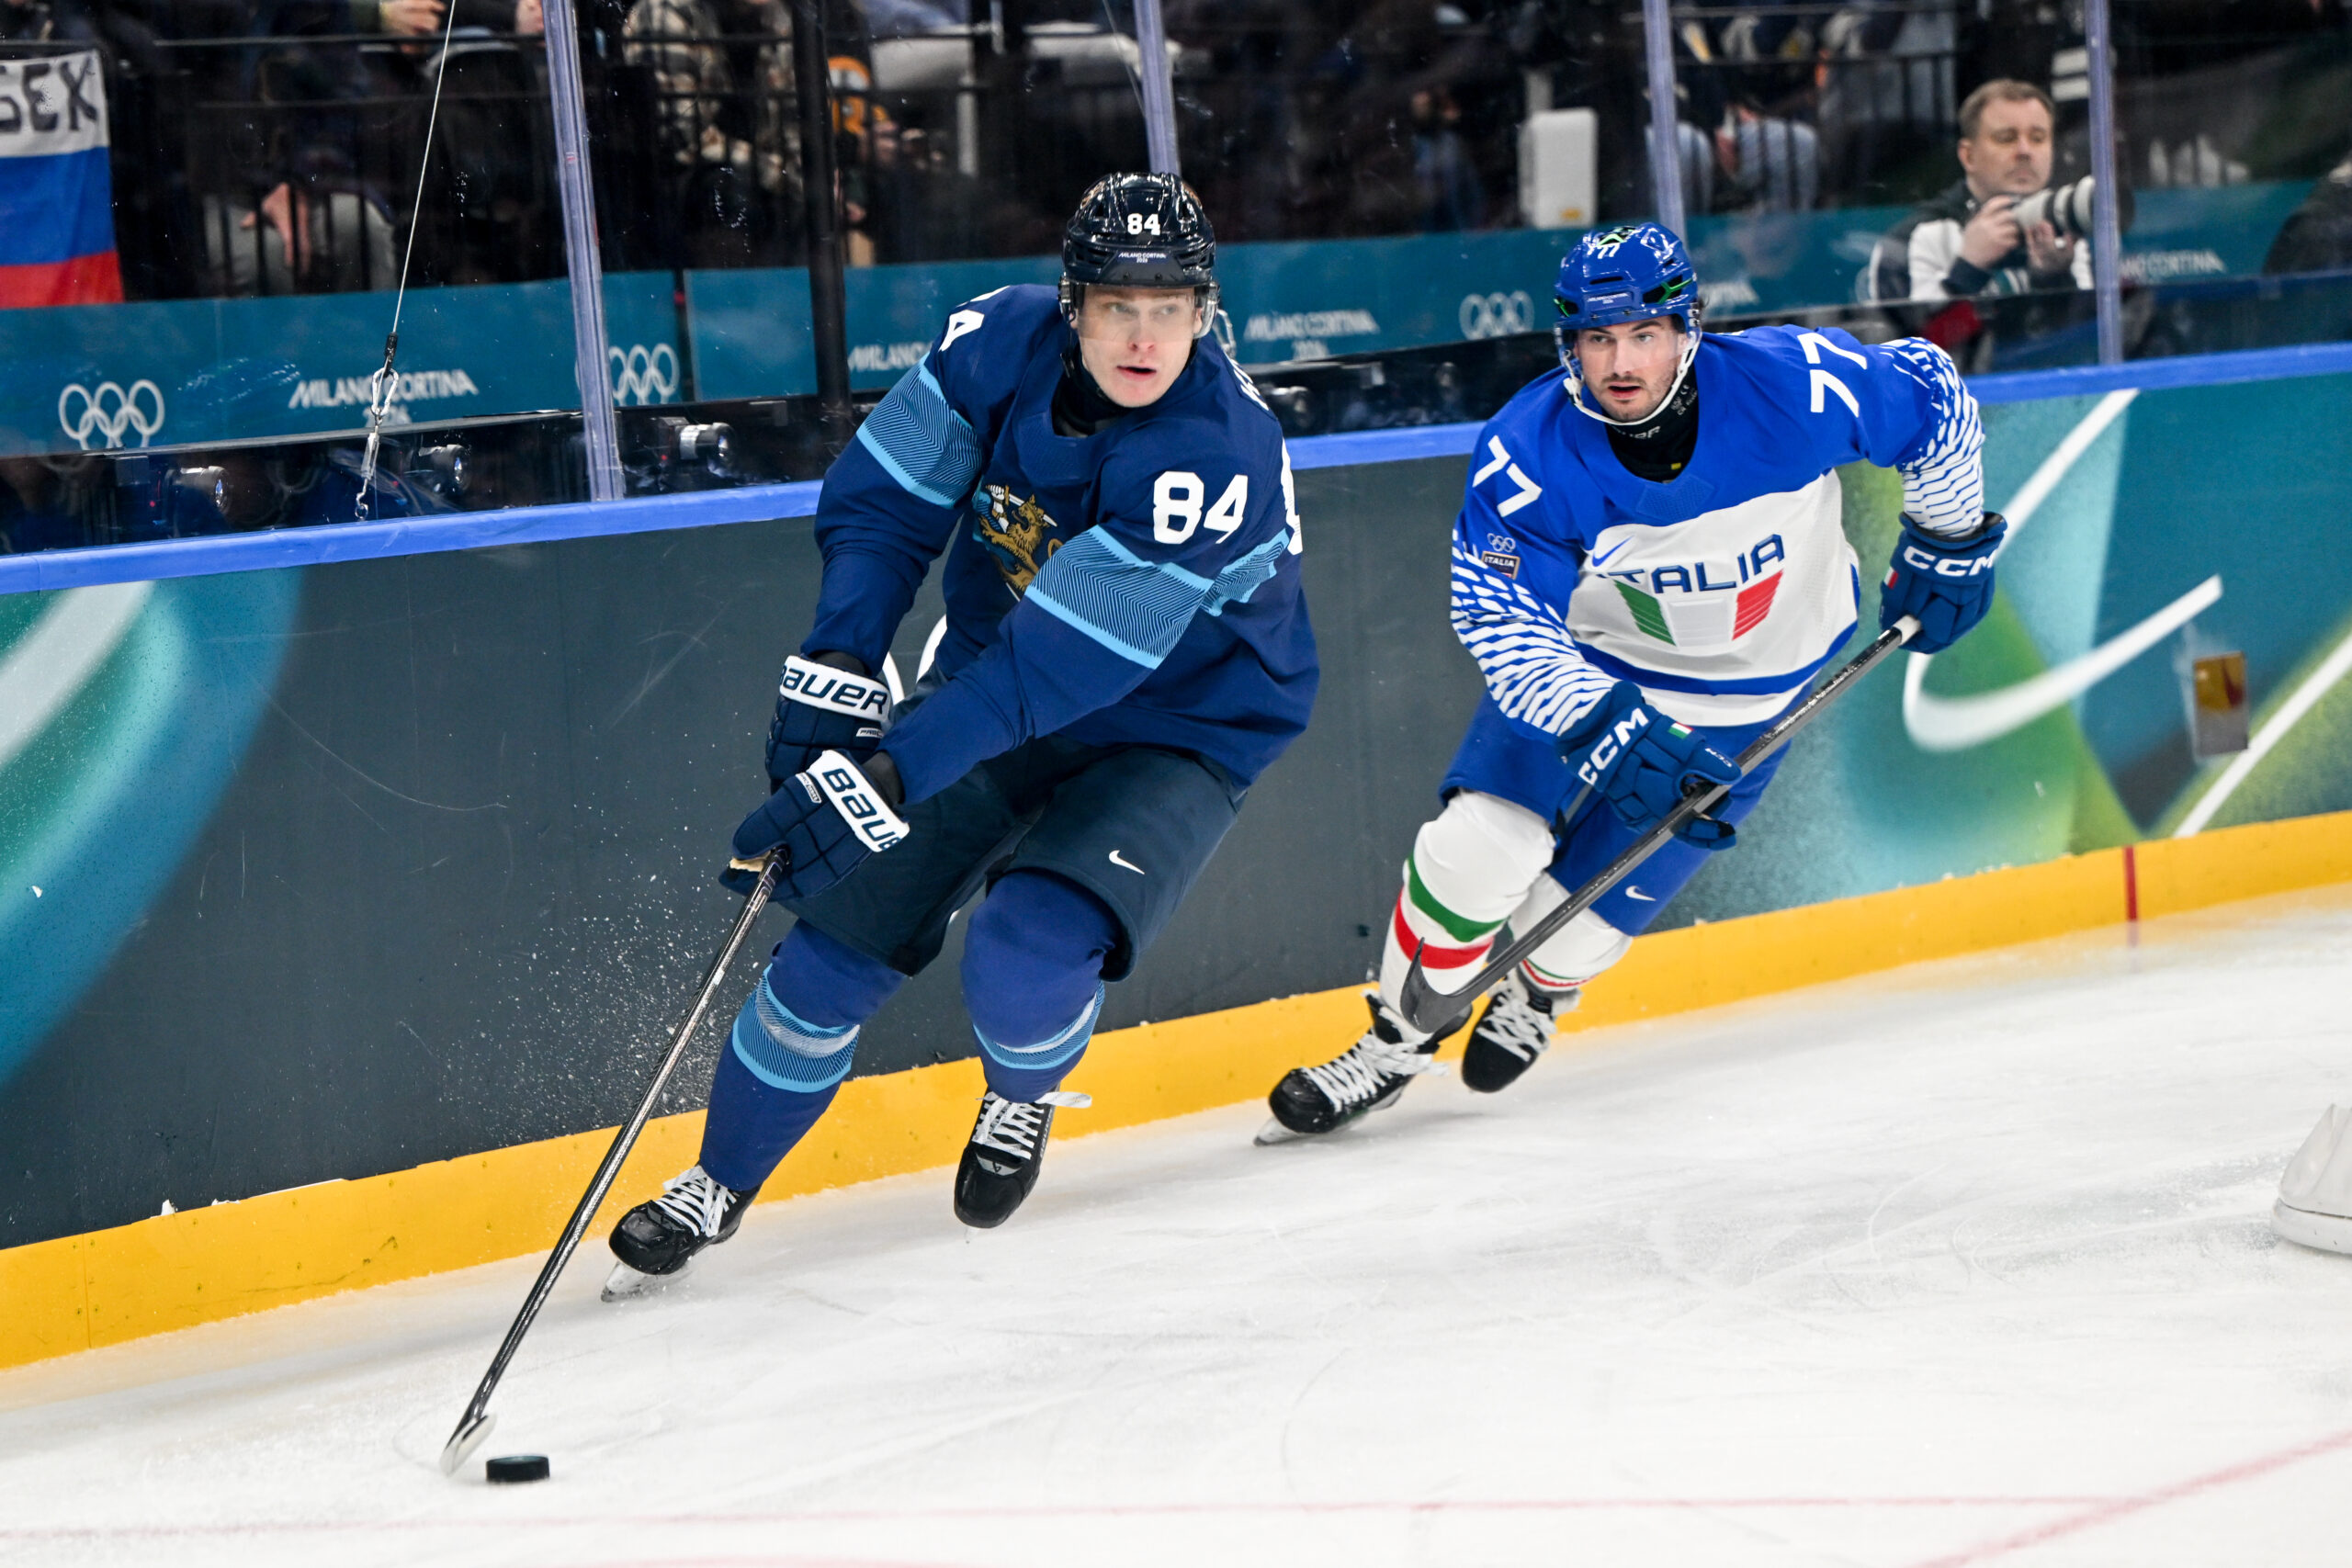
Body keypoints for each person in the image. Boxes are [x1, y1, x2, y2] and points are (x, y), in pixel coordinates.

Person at [604, 174, 1317, 1288]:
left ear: (1204, 315)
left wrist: (885, 773)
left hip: (1178, 723)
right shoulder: (994, 340)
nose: (1143, 335)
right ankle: (720, 1184)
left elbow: (1054, 670)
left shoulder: (1210, 454)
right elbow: (888, 504)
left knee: (1025, 945)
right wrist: (835, 669)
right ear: (1071, 303)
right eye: (1118, 305)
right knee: (830, 948)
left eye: (1170, 307)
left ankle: (1022, 1098)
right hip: (993, 676)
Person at [1262, 220, 2000, 1140]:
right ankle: (1398, 1039)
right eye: (1596, 338)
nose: (1620, 362)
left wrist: (1950, 537)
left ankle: (1541, 989)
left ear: (1686, 329)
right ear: (1566, 343)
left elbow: (1931, 394)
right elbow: (1497, 615)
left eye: (1642, 334)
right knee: (1477, 849)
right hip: (1592, 680)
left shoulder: (1793, 386)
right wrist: (1599, 721)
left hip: (1748, 707)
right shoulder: (1529, 451)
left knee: (1578, 924)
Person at [1867, 79, 2094, 304]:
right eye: (2006, 138)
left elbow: (2090, 336)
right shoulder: (1914, 238)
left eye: (2038, 138)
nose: (2025, 151)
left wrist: (2056, 279)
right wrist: (1968, 269)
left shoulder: (2065, 224)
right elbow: (1908, 337)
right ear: (1968, 156)